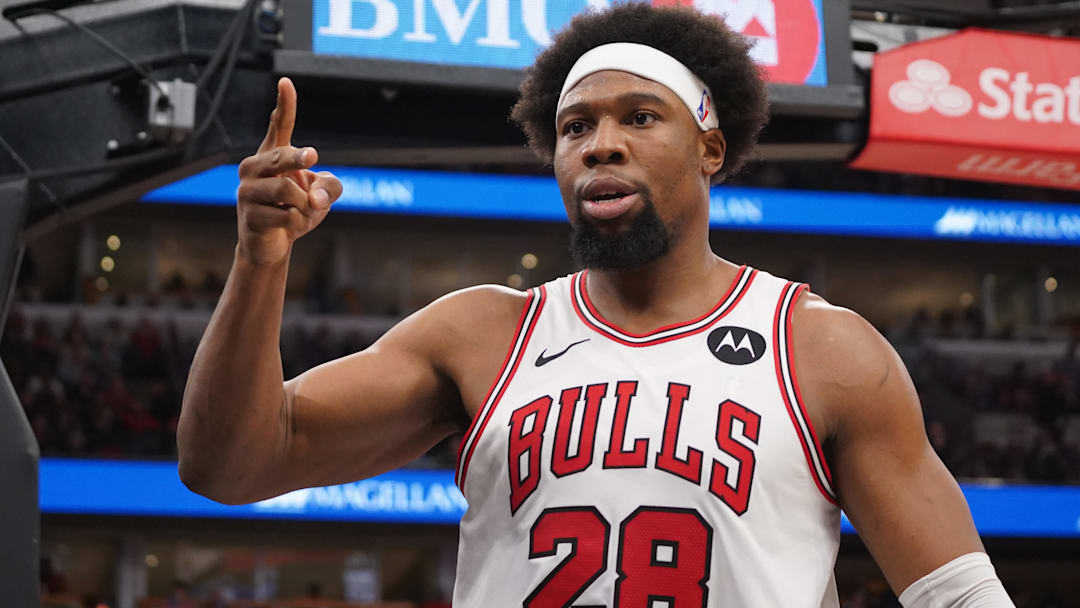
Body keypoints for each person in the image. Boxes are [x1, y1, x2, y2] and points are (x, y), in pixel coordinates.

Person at [178, 4, 1014, 607]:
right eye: (575, 127)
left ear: (710, 147)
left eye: (639, 117)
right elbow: (233, 463)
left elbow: (957, 593)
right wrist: (259, 264)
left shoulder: (822, 349)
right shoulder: (482, 333)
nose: (601, 142)